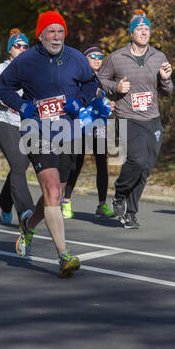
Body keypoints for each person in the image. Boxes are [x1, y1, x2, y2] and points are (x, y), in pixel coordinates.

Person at [0, 11, 103, 277]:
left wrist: (81, 102)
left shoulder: (76, 58)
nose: (57, 37)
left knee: (55, 192)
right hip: (37, 130)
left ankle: (29, 227)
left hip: (66, 131)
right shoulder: (27, 61)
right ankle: (63, 255)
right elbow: (2, 87)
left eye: (60, 31)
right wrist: (22, 106)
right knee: (53, 189)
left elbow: (91, 83)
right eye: (51, 32)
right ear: (40, 35)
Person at [98, 9, 173, 229]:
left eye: (147, 29)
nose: (143, 32)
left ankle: (131, 213)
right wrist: (116, 87)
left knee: (146, 168)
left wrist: (166, 80)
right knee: (137, 161)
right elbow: (101, 79)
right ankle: (120, 193)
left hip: (153, 119)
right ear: (131, 34)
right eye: (139, 29)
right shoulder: (117, 57)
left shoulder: (159, 56)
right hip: (127, 117)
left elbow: (168, 90)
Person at [0, 29, 34, 225]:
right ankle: (26, 212)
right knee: (18, 164)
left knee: (22, 165)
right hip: (4, 120)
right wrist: (3, 100)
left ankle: (5, 201)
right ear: (9, 50)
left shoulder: (32, 70)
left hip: (27, 123)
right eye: (17, 46)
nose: (21, 49)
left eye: (25, 46)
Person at [61, 44, 115, 219]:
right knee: (76, 163)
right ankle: (66, 201)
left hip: (98, 123)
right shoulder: (78, 77)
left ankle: (102, 205)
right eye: (93, 57)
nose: (98, 59)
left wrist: (109, 105)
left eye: (100, 57)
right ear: (85, 59)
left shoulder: (104, 78)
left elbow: (104, 100)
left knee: (101, 163)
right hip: (79, 124)